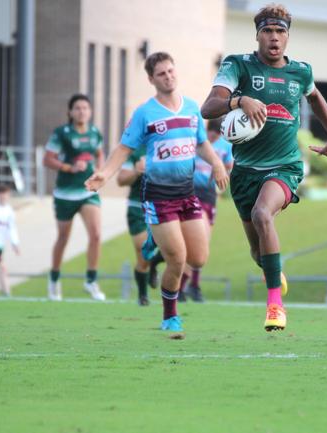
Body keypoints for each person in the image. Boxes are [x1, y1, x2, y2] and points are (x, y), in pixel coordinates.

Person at [200, 4, 327, 331]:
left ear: (288, 36)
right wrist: (239, 101)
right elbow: (209, 107)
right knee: (256, 250)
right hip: (245, 172)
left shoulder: (301, 72)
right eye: (268, 31)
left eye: (280, 32)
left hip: (284, 167)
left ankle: (275, 306)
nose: (274, 38)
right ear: (258, 35)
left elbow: (315, 96)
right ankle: (273, 272)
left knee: (265, 215)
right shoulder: (239, 66)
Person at [85, 51, 229, 332]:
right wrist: (104, 174)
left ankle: (155, 240)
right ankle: (169, 316)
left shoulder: (191, 108)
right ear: (152, 79)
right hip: (159, 197)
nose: (168, 76)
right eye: (161, 73)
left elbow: (201, 143)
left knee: (198, 259)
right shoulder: (144, 113)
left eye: (171, 71)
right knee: (177, 259)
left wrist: (217, 164)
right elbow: (123, 148)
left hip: (188, 194)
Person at [43, 94, 106, 301]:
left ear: (90, 111)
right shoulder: (62, 133)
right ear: (70, 112)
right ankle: (54, 279)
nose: (82, 112)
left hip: (87, 192)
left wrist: (99, 171)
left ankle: (91, 281)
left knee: (96, 234)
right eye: (77, 108)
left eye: (85, 108)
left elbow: (99, 153)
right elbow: (48, 159)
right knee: (63, 237)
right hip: (65, 193)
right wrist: (69, 167)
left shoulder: (95, 132)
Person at [179, 118, 234, 302]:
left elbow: (229, 166)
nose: (214, 137)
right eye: (212, 133)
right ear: (207, 130)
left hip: (210, 196)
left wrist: (222, 172)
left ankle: (193, 286)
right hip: (192, 194)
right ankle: (180, 288)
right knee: (196, 240)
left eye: (218, 135)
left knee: (203, 245)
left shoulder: (225, 146)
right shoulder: (197, 142)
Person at [116, 145, 151, 306]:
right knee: (143, 251)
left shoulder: (169, 144)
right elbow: (121, 180)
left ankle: (155, 265)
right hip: (137, 207)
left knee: (173, 249)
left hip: (163, 204)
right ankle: (143, 295)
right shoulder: (135, 152)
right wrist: (137, 171)